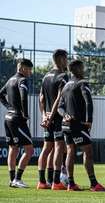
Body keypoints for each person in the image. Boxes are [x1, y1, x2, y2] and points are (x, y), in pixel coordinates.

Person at [58, 60, 105, 191]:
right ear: (78, 69)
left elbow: (59, 107)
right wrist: (89, 120)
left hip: (66, 125)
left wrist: (64, 115)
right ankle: (93, 184)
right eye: (82, 68)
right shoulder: (82, 83)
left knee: (70, 152)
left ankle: (71, 184)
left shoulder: (66, 85)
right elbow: (88, 102)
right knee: (88, 152)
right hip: (78, 125)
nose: (84, 70)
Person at [37, 49, 69, 190]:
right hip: (57, 118)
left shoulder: (45, 76)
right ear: (61, 59)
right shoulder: (63, 76)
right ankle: (56, 182)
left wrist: (44, 115)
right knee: (58, 147)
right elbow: (59, 97)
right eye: (66, 58)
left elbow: (41, 98)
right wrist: (52, 116)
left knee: (46, 149)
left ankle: (42, 182)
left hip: (48, 117)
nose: (67, 61)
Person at [0, 58, 34, 188]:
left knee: (13, 148)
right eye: (29, 69)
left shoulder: (10, 80)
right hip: (17, 119)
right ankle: (17, 179)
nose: (30, 72)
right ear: (22, 68)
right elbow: (23, 96)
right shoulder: (22, 80)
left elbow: (0, 94)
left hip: (8, 118)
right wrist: (25, 114)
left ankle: (12, 180)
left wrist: (8, 107)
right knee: (29, 150)